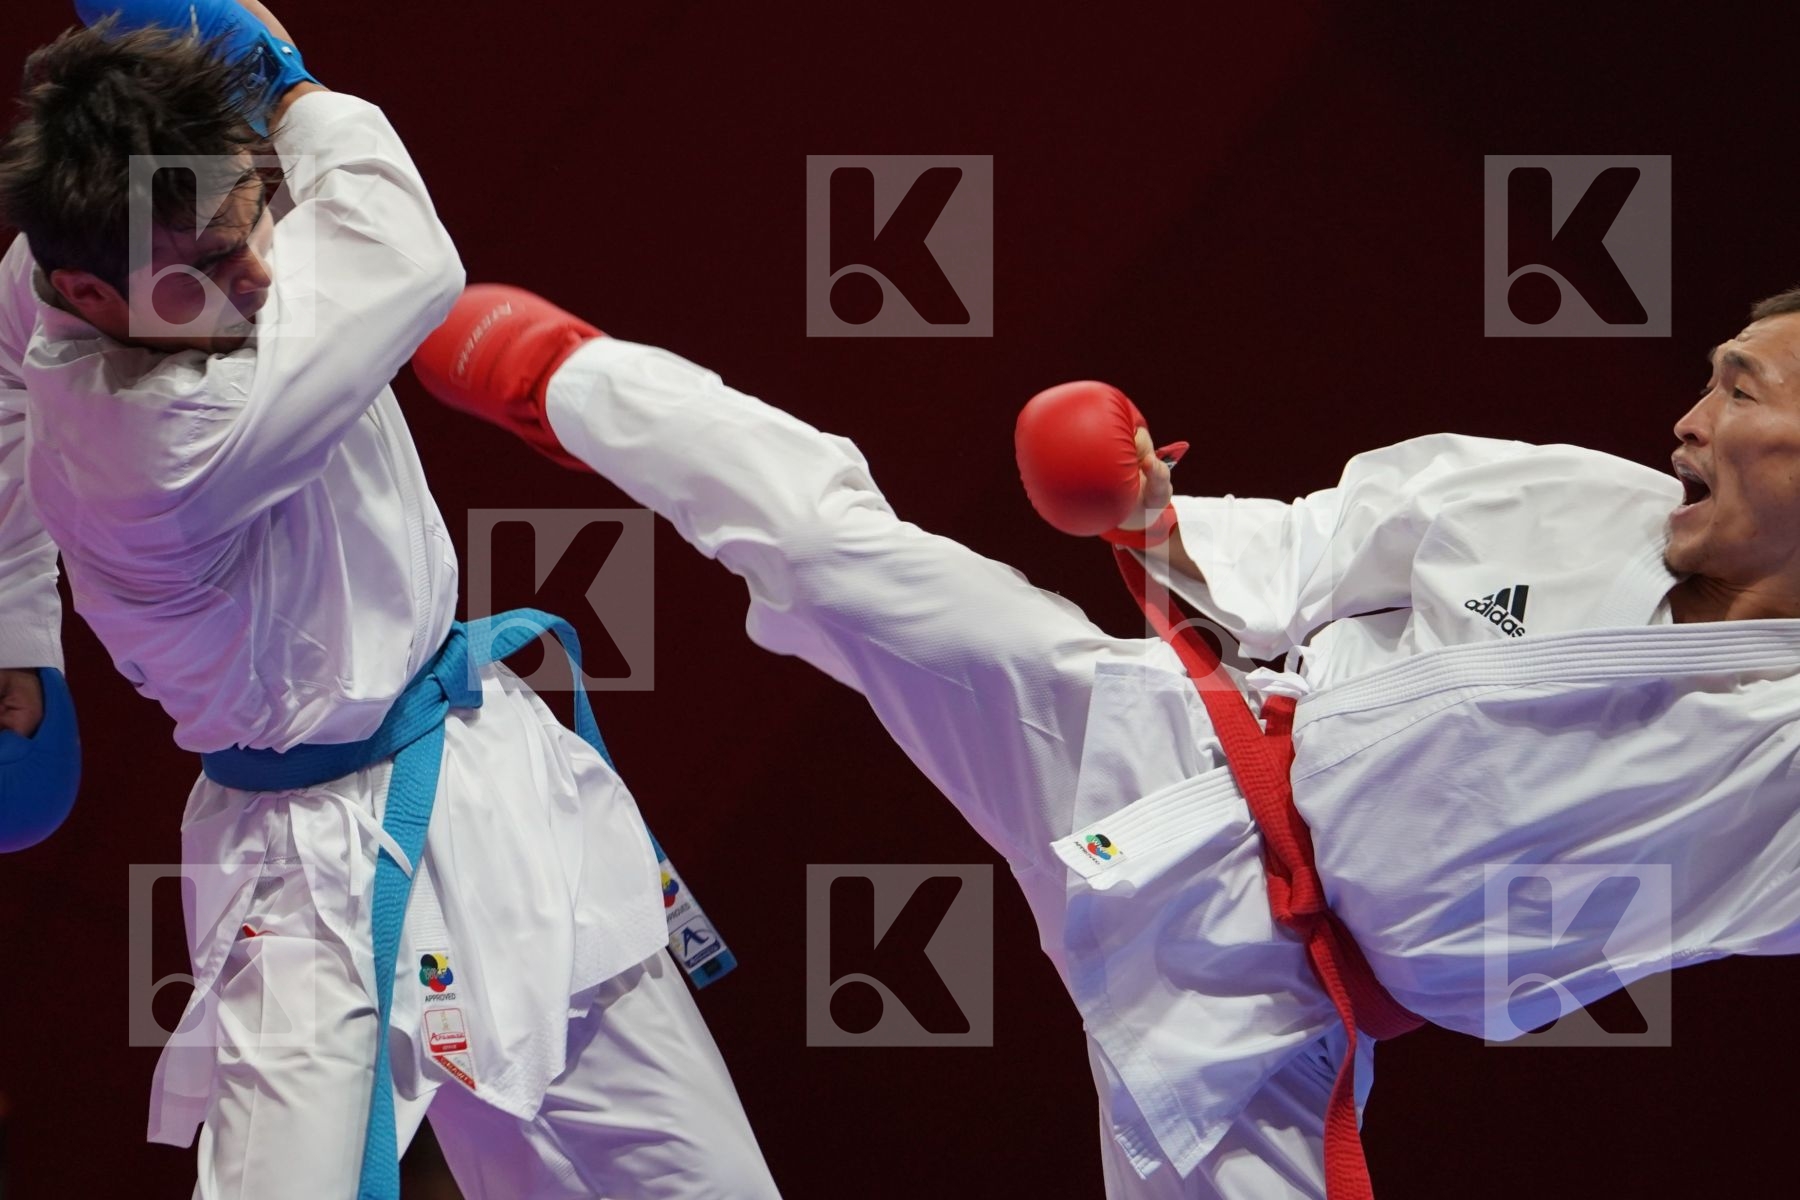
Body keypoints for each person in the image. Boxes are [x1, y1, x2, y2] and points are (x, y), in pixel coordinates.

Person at [413, 282, 1800, 1199]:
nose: (1688, 419)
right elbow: (1315, 551)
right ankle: (553, 369)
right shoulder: (1571, 499)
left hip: (1267, 1028)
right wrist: (1152, 515)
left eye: (1740, 392)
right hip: (1164, 758)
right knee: (846, 558)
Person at [0, 7, 778, 1198]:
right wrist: (279, 74)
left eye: (255, 215)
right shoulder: (161, 445)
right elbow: (404, 249)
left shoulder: (87, 269)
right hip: (305, 869)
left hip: (484, 766)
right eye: (203, 269)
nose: (259, 274)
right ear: (88, 295)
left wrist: (14, 629)